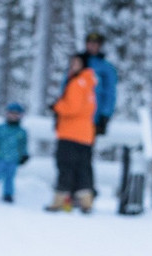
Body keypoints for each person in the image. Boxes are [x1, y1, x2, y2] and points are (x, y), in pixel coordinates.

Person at [46, 53, 97, 213]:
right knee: (83, 168)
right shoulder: (89, 83)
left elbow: (72, 108)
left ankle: (59, 200)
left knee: (65, 166)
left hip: (70, 132)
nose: (73, 66)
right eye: (72, 63)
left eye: (76, 63)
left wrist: (57, 106)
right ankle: (86, 202)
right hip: (86, 134)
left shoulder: (76, 83)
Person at [0, 102, 29, 203]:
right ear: (7, 114)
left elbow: (23, 145)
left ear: (20, 116)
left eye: (16, 114)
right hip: (0, 157)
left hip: (14, 159)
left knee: (10, 178)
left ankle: (8, 194)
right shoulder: (1, 128)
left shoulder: (21, 131)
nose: (13, 116)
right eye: (11, 113)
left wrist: (24, 155)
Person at [80, 32, 117, 136]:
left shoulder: (106, 68)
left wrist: (105, 115)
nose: (92, 46)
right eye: (90, 43)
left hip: (93, 117)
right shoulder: (78, 63)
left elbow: (110, 93)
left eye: (95, 43)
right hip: (74, 116)